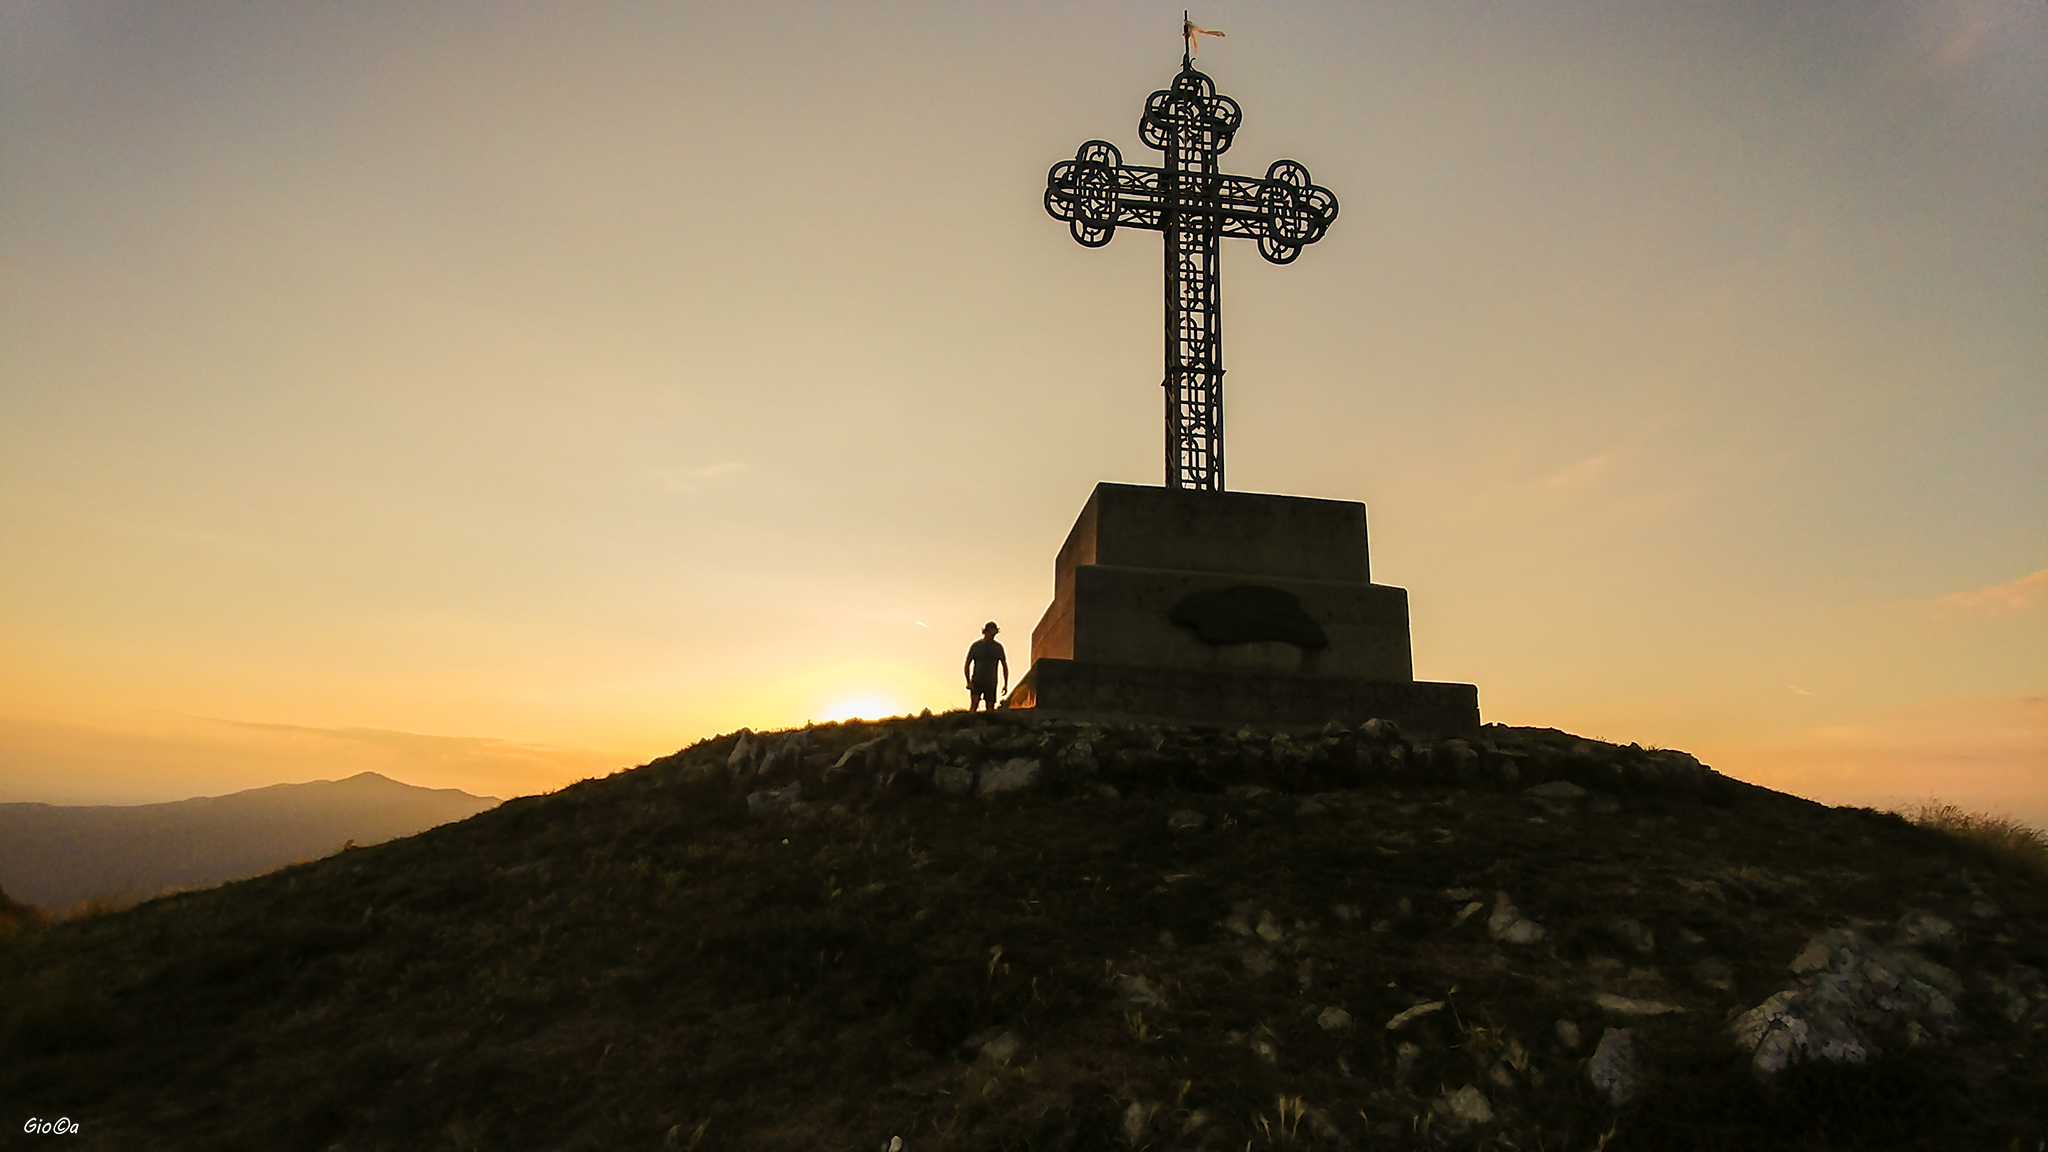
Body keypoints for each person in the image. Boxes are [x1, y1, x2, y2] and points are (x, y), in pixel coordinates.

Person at [963, 621, 1008, 712]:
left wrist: (1005, 684)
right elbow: (967, 664)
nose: (992, 635)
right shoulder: (976, 646)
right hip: (977, 680)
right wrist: (968, 681)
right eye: (990, 632)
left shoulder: (998, 647)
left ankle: (988, 725)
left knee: (990, 708)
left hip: (991, 682)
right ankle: (970, 724)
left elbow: (1004, 666)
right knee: (974, 704)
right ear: (985, 632)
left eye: (994, 633)